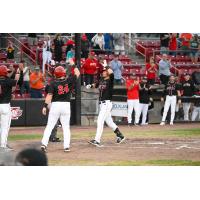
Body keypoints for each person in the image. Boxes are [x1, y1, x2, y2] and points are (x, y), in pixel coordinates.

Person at [41, 66, 80, 152]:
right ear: (63, 73)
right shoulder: (69, 80)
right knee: (66, 127)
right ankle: (66, 146)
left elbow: (49, 95)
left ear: (55, 74)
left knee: (49, 126)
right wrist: (73, 65)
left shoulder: (53, 83)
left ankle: (44, 144)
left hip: (55, 105)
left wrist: (45, 106)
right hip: (66, 105)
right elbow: (77, 73)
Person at [86, 67, 125, 146]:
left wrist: (106, 67)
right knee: (109, 122)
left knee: (100, 121)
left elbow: (111, 72)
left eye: (104, 71)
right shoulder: (101, 80)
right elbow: (96, 85)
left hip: (106, 103)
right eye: (103, 71)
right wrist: (90, 85)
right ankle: (120, 135)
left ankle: (97, 140)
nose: (103, 72)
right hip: (102, 104)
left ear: (107, 72)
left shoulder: (110, 80)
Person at [0, 65, 19, 151]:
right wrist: (17, 75)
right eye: (6, 71)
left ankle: (3, 143)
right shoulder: (8, 81)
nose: (7, 72)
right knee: (5, 127)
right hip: (5, 106)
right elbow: (14, 84)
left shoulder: (7, 80)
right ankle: (3, 146)